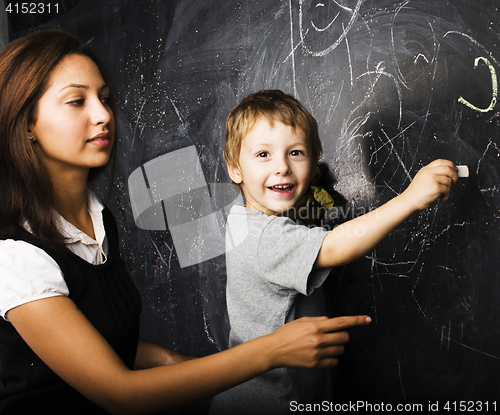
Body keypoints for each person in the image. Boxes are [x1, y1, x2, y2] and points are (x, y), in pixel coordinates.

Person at [0, 30, 372, 415]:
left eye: (105, 99)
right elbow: (120, 394)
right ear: (27, 122)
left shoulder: (98, 219)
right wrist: (271, 350)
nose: (103, 114)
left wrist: (185, 371)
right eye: (77, 101)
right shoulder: (16, 257)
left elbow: (107, 343)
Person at [209, 89, 458, 414]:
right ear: (234, 170)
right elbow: (335, 246)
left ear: (313, 163)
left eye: (295, 153)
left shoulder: (247, 220)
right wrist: (409, 198)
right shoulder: (264, 237)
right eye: (263, 155)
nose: (282, 166)